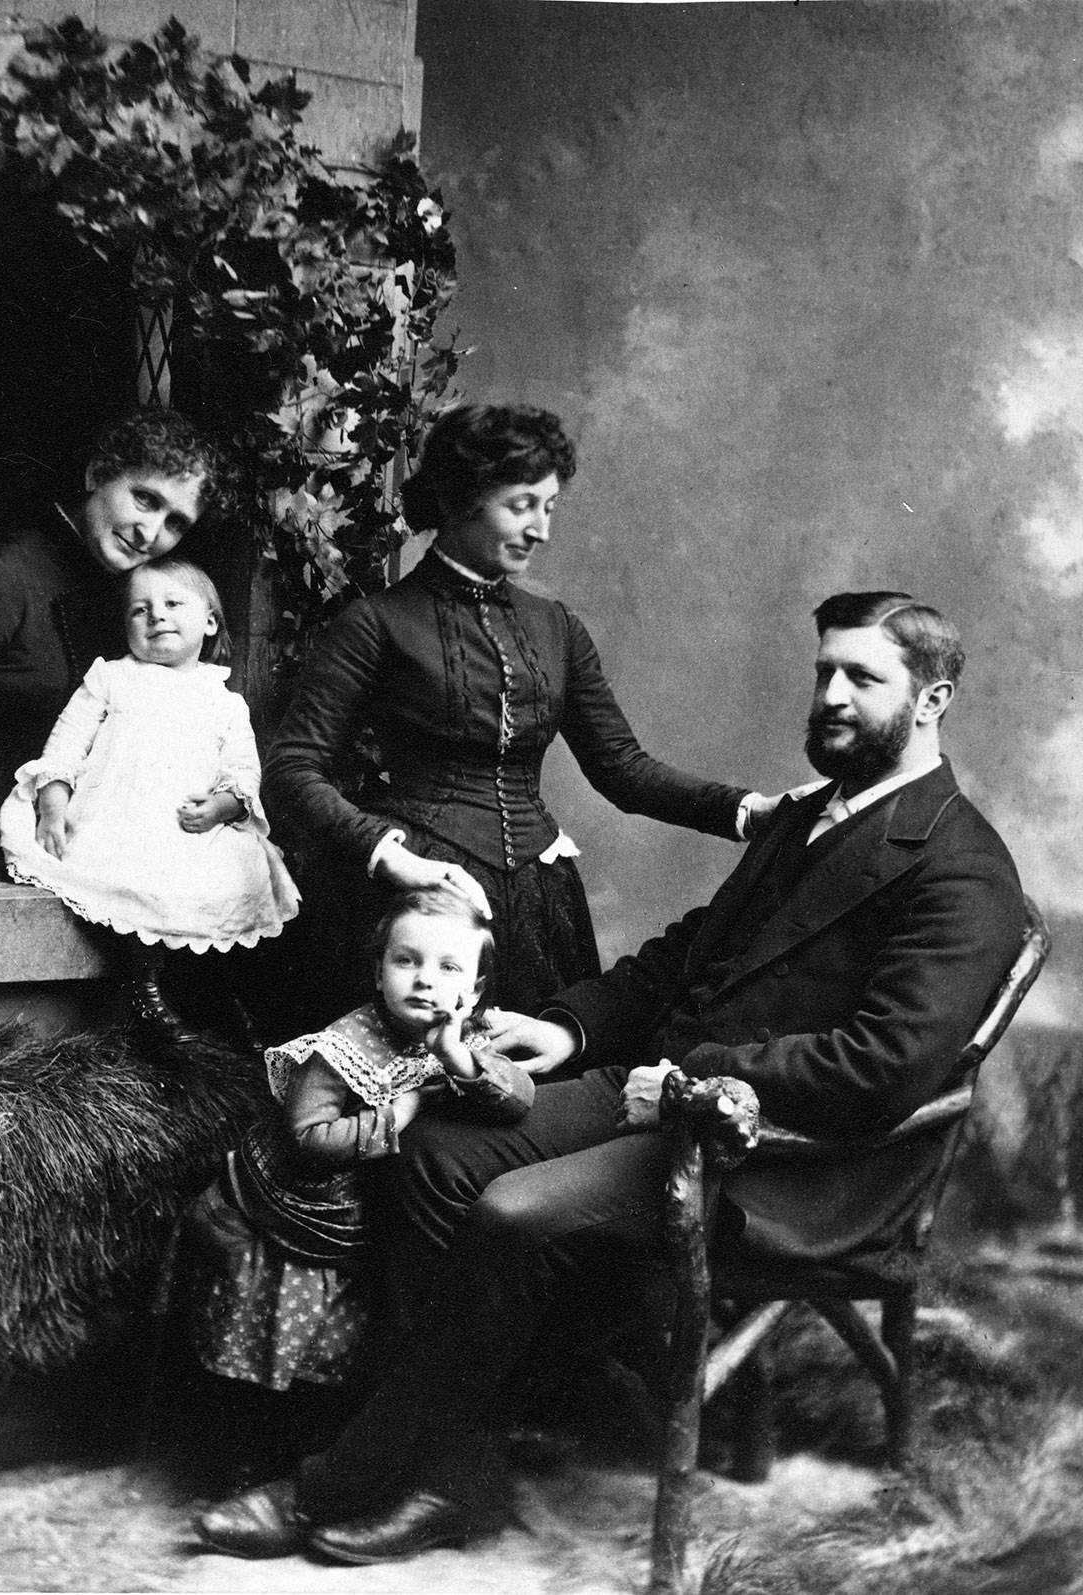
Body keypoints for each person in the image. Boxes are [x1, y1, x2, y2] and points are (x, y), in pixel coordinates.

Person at [193, 590, 1026, 1564]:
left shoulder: (959, 867)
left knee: (511, 1210)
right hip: (662, 1094)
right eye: (823, 672)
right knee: (429, 1145)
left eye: (861, 678)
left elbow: (880, 1068)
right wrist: (568, 1025)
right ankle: (453, 1474)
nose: (830, 695)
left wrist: (687, 1075)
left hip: (782, 1155)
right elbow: (685, 953)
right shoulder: (812, 815)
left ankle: (339, 1479)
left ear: (929, 700)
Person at [263, 403, 783, 1023]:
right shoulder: (375, 624)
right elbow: (292, 769)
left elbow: (621, 767)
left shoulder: (555, 627)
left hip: (540, 904)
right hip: (416, 898)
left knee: (528, 1092)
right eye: (522, 505)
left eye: (550, 507)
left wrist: (750, 812)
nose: (541, 528)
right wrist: (391, 856)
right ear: (462, 501)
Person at [186, 887, 533, 1402]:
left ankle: (338, 1412)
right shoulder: (341, 1049)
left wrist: (458, 1059)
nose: (425, 980)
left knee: (371, 1331)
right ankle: (259, 1419)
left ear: (475, 989)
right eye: (406, 960)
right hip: (309, 1210)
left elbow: (517, 1100)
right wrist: (400, 1112)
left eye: (449, 968)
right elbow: (308, 1137)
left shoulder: (465, 1035)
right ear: (378, 972)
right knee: (292, 1332)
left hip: (385, 1208)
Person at [0, 409, 222, 878]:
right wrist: (18, 839)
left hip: (49, 870)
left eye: (175, 523)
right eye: (145, 500)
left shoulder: (130, 605)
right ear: (97, 473)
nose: (150, 534)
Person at [0, 557, 299, 1045]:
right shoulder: (111, 678)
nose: (156, 616)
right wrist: (53, 807)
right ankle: (144, 988)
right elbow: (65, 745)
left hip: (190, 828)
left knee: (238, 872)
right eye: (140, 610)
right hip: (118, 819)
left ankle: (215, 990)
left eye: (172, 603)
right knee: (132, 878)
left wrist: (223, 807)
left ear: (209, 620)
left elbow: (243, 771)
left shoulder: (224, 700)